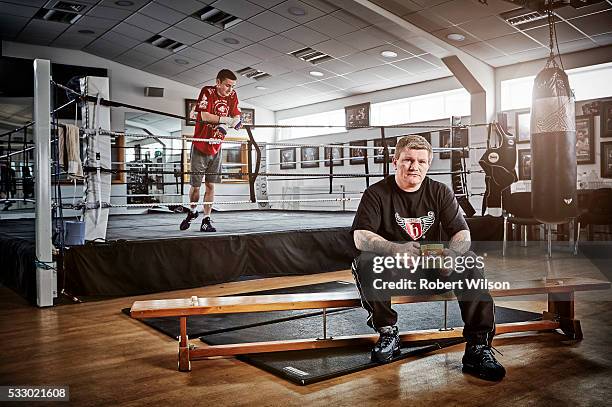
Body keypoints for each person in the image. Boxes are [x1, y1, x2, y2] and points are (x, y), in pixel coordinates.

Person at [351, 135, 505, 381]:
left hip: (434, 265)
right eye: (408, 160)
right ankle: (388, 333)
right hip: (396, 266)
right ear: (395, 161)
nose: (414, 166)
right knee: (366, 261)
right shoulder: (376, 193)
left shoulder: (439, 191)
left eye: (421, 161)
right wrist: (393, 249)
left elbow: (462, 232)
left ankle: (478, 348)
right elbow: (360, 236)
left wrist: (452, 255)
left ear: (428, 164)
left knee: (471, 261)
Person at [180, 69, 242, 232]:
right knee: (196, 187)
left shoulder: (233, 95)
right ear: (218, 82)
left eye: (233, 86)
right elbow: (205, 116)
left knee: (210, 186)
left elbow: (237, 114)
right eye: (227, 85)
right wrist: (227, 120)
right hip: (200, 145)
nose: (230, 90)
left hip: (217, 147)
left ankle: (206, 220)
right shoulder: (207, 91)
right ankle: (192, 211)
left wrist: (235, 121)